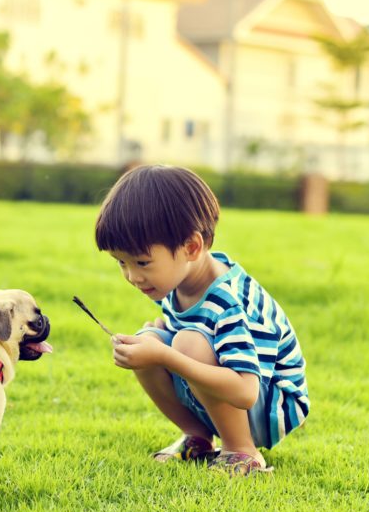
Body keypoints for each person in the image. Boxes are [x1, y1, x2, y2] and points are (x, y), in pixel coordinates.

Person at [94, 165, 309, 476]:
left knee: (186, 343)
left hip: (272, 405)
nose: (132, 276)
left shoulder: (227, 301)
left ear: (191, 247)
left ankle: (242, 451)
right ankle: (198, 438)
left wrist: (165, 353)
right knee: (150, 338)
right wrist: (154, 342)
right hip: (235, 395)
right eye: (121, 263)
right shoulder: (179, 281)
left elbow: (246, 391)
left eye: (142, 262)